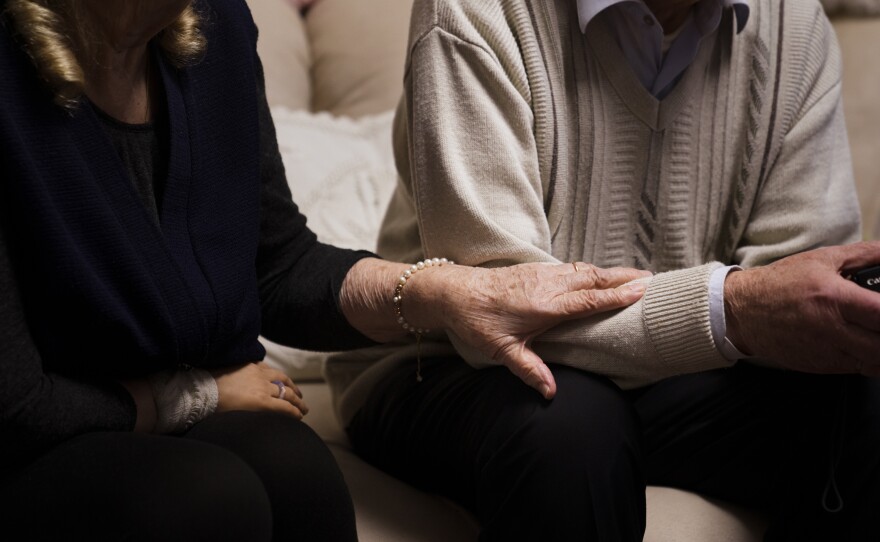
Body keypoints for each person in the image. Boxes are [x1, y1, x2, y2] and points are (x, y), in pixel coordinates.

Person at [0, 0, 652, 539]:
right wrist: (201, 395)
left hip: (159, 399)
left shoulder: (212, 29)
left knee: (300, 478)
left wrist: (438, 292)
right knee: (206, 500)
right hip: (37, 430)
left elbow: (277, 267)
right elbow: (20, 404)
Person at [329, 0, 880, 540]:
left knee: (857, 394)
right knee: (573, 427)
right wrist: (734, 309)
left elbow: (799, 297)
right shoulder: (476, 9)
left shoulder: (795, 22)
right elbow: (496, 311)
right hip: (446, 362)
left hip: (678, 374)